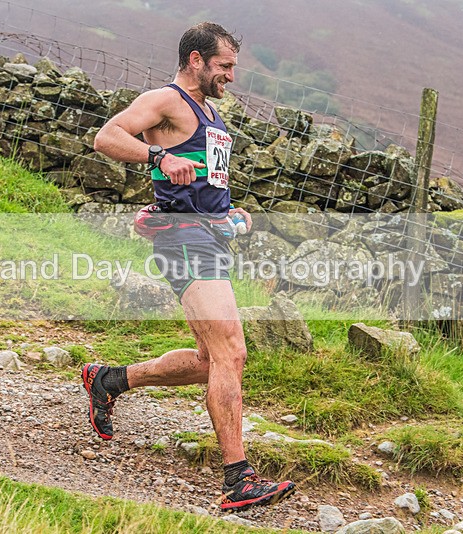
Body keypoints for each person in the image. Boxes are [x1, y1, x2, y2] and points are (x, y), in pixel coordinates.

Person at [83, 21, 295, 511]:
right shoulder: (166, 100)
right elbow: (106, 137)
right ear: (196, 60)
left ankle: (110, 380)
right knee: (232, 352)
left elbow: (201, 178)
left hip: (210, 235)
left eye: (233, 67)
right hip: (184, 240)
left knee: (209, 361)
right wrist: (157, 157)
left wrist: (229, 210)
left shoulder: (210, 112)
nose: (231, 76)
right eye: (224, 66)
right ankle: (238, 479)